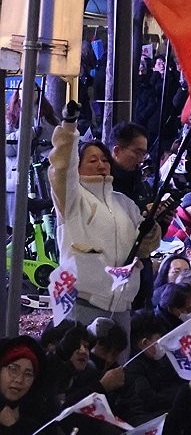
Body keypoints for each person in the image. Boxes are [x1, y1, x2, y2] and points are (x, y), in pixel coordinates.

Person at [48, 102, 161, 334]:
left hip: (122, 305)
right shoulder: (72, 200)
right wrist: (69, 127)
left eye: (104, 160)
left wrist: (151, 227)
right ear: (78, 167)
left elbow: (144, 247)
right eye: (92, 160)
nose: (101, 164)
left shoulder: (125, 203)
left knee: (116, 367)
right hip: (83, 301)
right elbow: (61, 167)